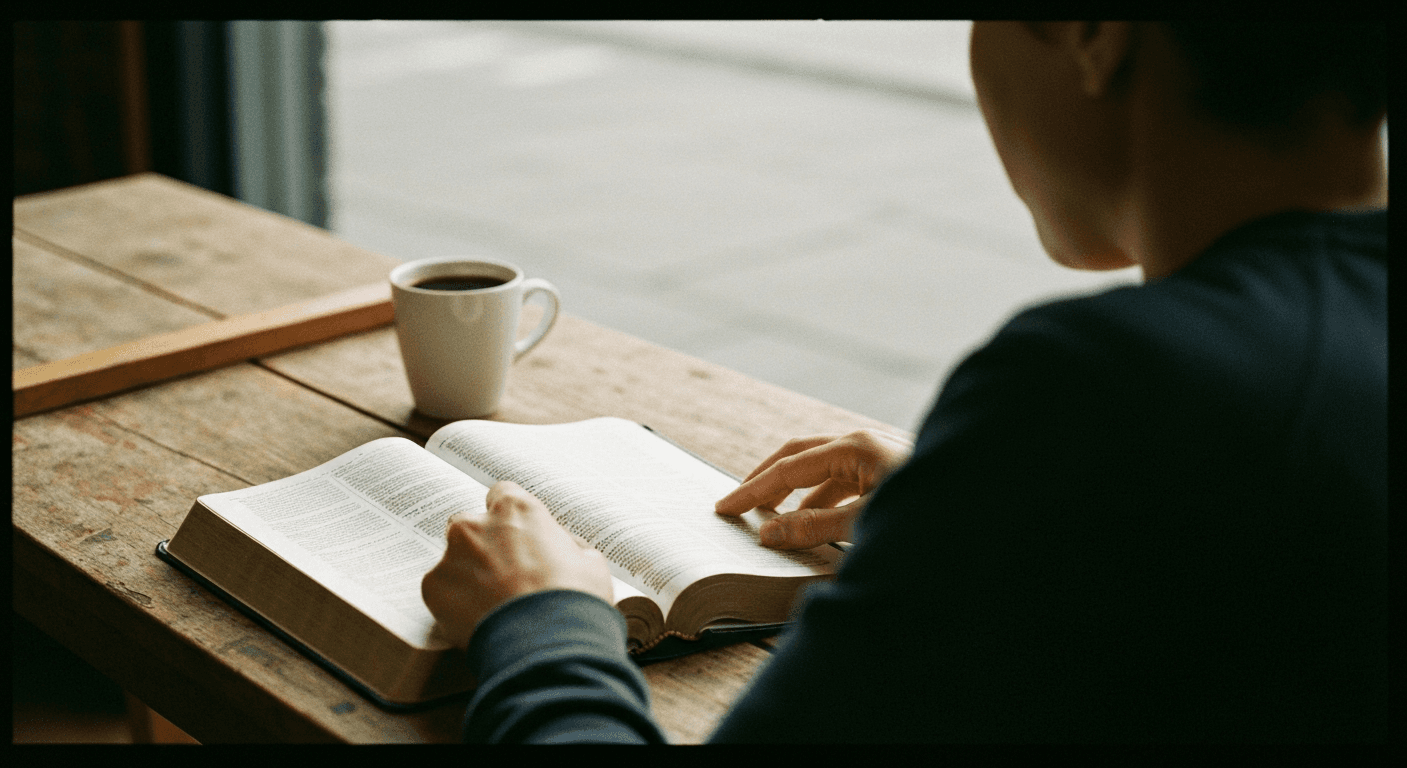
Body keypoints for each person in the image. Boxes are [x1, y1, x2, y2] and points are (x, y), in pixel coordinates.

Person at [421, 21, 1387, 742]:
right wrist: (987, 509)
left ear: (1095, 34)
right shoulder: (1175, 423)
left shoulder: (1106, 391)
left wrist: (541, 624)